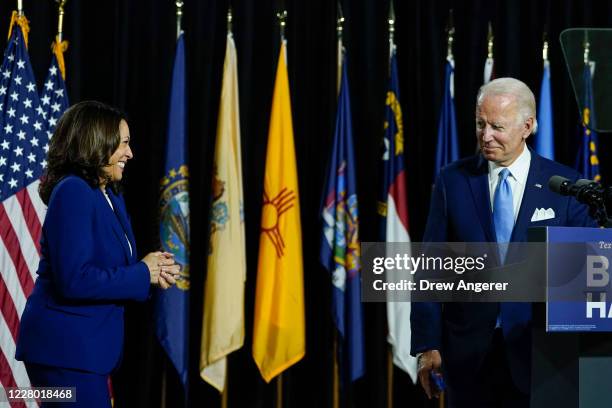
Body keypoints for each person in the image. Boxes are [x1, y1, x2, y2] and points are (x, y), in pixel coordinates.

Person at [411, 78, 596, 407]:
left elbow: (585, 279)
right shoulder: (452, 181)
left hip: (543, 358)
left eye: (497, 126)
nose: (485, 136)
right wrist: (428, 345)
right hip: (468, 357)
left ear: (527, 126)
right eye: (480, 124)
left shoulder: (566, 188)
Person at [16, 101, 180, 407]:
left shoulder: (108, 194)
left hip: (87, 351)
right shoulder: (73, 191)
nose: (130, 154)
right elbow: (75, 279)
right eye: (124, 144)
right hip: (64, 352)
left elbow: (115, 268)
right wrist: (143, 273)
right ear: (96, 141)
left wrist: (153, 272)